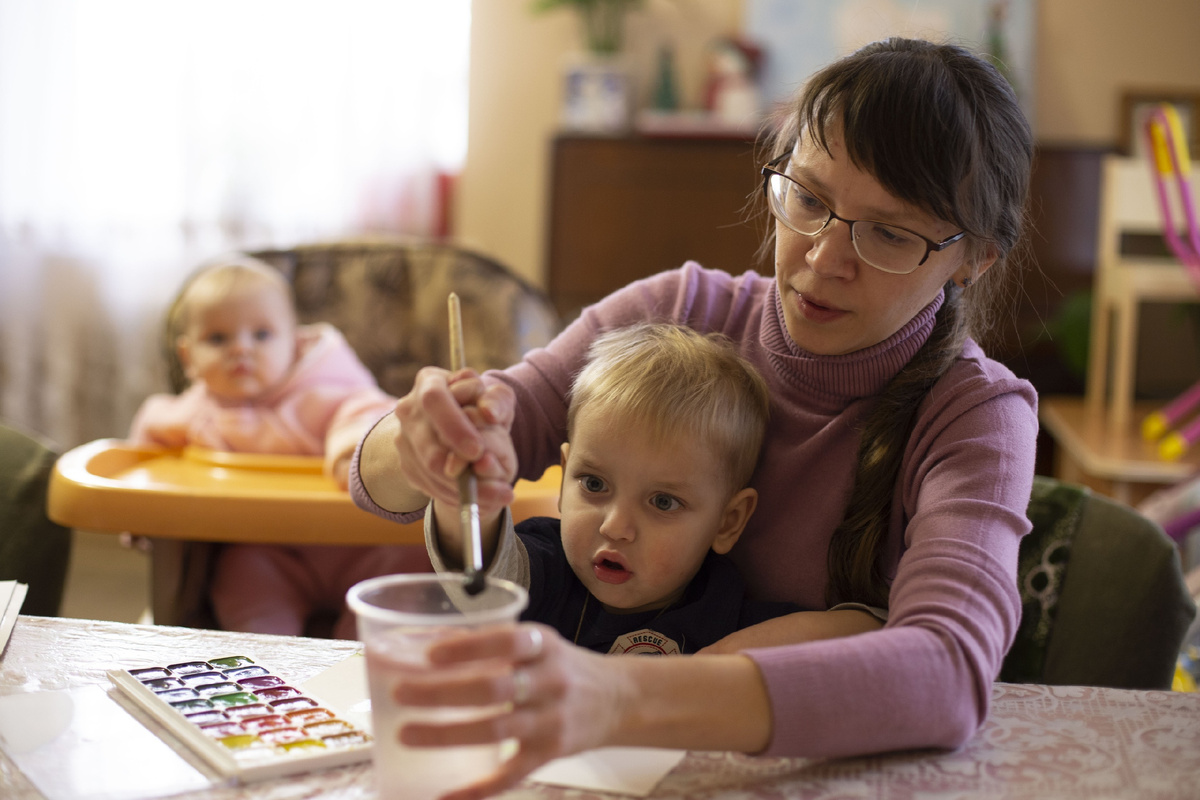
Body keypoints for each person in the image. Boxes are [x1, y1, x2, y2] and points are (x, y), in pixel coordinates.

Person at [351, 36, 1037, 798]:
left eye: (890, 234)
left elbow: (950, 673)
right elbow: (424, 461)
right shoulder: (679, 314)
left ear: (973, 258)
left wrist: (621, 696)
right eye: (808, 199)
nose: (821, 258)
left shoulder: (975, 416)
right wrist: (418, 442)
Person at [426, 323, 835, 654]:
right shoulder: (544, 570)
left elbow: (867, 642)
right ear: (566, 477)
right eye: (594, 484)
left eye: (662, 502)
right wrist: (463, 497)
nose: (616, 526)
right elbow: (482, 579)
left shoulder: (723, 612)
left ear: (727, 523)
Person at [129, 255, 429, 638]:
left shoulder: (325, 388)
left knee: (408, 564)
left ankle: (358, 655)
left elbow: (370, 414)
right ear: (188, 357)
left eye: (262, 335)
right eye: (218, 338)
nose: (241, 349)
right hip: (268, 552)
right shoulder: (196, 411)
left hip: (361, 544)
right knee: (240, 576)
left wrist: (353, 451)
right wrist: (141, 514)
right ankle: (272, 657)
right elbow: (147, 438)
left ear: (295, 342)